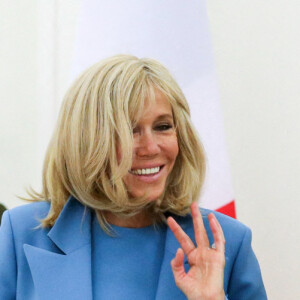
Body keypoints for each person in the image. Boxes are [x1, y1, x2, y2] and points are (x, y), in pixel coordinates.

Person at [0, 55, 267, 300]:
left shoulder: (228, 241)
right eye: (129, 131)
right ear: (87, 142)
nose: (151, 148)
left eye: (163, 127)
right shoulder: (21, 233)